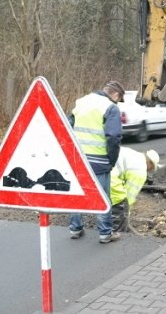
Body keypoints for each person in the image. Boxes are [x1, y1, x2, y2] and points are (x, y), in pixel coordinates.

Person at [68, 81, 125, 243]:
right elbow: (113, 137)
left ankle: (75, 228)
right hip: (99, 161)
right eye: (118, 99)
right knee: (102, 197)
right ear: (115, 95)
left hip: (78, 158)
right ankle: (105, 233)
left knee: (78, 194)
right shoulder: (110, 107)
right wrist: (111, 161)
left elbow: (68, 125)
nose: (117, 102)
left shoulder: (82, 102)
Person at [110, 148, 160, 232]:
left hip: (101, 170)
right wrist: (126, 214)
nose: (150, 170)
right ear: (150, 164)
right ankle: (116, 233)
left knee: (106, 207)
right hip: (111, 179)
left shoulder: (134, 154)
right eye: (152, 168)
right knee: (119, 207)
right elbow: (129, 196)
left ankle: (105, 228)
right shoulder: (140, 172)